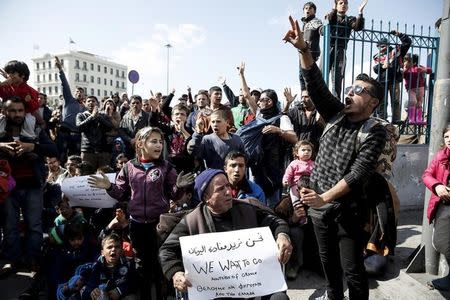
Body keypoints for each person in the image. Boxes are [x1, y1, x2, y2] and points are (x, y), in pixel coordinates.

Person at [284, 16, 387, 299]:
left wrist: (325, 198)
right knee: (328, 266)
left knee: (352, 271)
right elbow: (315, 83)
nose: (350, 93)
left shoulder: (375, 131)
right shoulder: (335, 113)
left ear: (373, 102)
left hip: (348, 212)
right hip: (319, 210)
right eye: (351, 88)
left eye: (359, 91)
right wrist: (304, 50)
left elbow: (358, 174)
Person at [87, 126, 195, 299]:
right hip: (137, 225)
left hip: (160, 225)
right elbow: (120, 193)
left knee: (160, 265)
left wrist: (180, 187)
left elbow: (174, 194)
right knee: (141, 267)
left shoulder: (166, 167)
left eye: (160, 141)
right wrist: (108, 187)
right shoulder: (129, 167)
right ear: (140, 144)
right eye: (153, 141)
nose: (159, 145)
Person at [159, 168, 292, 300]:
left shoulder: (248, 209)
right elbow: (166, 250)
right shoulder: (192, 221)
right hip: (215, 294)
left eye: (227, 185)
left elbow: (276, 223)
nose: (228, 192)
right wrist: (176, 273)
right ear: (206, 198)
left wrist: (282, 235)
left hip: (253, 288)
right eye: (220, 189)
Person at [0, 96, 58, 277]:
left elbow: (53, 150)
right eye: (12, 110)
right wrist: (2, 146)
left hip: (33, 185)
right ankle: (13, 260)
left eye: (20, 110)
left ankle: (34, 259)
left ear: (25, 112)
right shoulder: (1, 131)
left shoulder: (35, 129)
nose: (17, 114)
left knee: (34, 225)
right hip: (8, 187)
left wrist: (31, 147)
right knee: (10, 226)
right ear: (4, 112)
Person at [239, 62, 298, 208]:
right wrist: (241, 74)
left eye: (263, 99)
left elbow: (294, 138)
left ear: (271, 102)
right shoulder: (258, 114)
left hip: (273, 168)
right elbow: (246, 95)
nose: (259, 102)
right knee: (256, 202)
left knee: (272, 205)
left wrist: (278, 131)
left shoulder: (281, 118)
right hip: (256, 167)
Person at [422, 124, 450, 291]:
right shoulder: (440, 157)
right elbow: (427, 174)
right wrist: (437, 186)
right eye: (447, 137)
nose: (449, 140)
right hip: (444, 206)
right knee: (439, 242)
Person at [324, 0, 367, 98]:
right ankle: (322, 99)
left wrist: (360, 12)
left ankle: (336, 99)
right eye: (341, 3)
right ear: (336, 5)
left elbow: (358, 27)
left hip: (341, 49)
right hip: (328, 48)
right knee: (323, 74)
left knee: (337, 77)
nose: (343, 5)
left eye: (345, 3)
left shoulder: (350, 19)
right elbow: (331, 20)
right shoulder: (331, 14)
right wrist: (334, 8)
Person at [81, 233, 137, 300]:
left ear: (121, 251)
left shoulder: (129, 264)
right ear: (102, 253)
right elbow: (88, 285)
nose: (113, 249)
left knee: (132, 298)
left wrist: (119, 291)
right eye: (109, 247)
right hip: (103, 296)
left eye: (117, 247)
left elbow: (134, 283)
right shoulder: (95, 266)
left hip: (121, 296)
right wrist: (92, 291)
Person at [372, 31, 411, 123]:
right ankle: (382, 119)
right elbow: (376, 69)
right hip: (382, 81)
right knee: (382, 102)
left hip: (394, 80)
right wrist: (382, 66)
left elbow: (408, 42)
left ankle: (396, 119)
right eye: (379, 46)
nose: (381, 48)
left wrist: (400, 34)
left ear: (388, 45)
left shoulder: (396, 52)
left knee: (396, 101)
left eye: (383, 46)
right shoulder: (377, 57)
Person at [0, 60, 42, 139]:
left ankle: (31, 138)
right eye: (8, 73)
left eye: (13, 73)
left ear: (22, 75)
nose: (10, 75)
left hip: (25, 116)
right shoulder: (6, 86)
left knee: (29, 120)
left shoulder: (30, 91)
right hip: (7, 116)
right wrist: (3, 83)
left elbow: (36, 106)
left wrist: (29, 101)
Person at [55, 56, 85, 164]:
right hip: (64, 132)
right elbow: (65, 84)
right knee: (61, 156)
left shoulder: (85, 108)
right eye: (77, 91)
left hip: (77, 135)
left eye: (81, 92)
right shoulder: (69, 99)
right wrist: (60, 70)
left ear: (84, 95)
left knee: (75, 158)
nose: (79, 93)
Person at [76, 96, 114, 170]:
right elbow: (79, 127)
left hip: (103, 151)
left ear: (97, 104)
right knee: (87, 174)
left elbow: (109, 127)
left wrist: (98, 116)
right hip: (87, 151)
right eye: (89, 101)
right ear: (85, 104)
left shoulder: (103, 116)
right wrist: (92, 116)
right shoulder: (81, 115)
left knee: (104, 174)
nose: (91, 103)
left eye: (93, 101)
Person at [282, 140, 315, 222]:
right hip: (295, 186)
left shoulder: (314, 164)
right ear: (296, 153)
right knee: (295, 199)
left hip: (309, 186)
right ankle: (301, 216)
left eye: (309, 150)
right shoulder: (294, 163)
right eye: (303, 150)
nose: (306, 152)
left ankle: (311, 215)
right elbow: (288, 174)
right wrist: (286, 181)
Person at [299, 2, 323, 91]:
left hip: (311, 52)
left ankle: (309, 95)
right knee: (301, 75)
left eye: (310, 8)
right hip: (302, 51)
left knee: (307, 75)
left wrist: (325, 29)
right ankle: (304, 95)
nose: (307, 9)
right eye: (306, 8)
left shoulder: (315, 21)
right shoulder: (304, 24)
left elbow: (321, 29)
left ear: (314, 11)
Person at [402, 53, 432, 125]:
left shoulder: (418, 67)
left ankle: (419, 119)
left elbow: (430, 70)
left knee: (419, 103)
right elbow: (401, 76)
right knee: (413, 101)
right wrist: (404, 70)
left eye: (408, 61)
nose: (405, 63)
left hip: (420, 87)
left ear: (414, 62)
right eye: (405, 61)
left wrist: (424, 70)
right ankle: (411, 119)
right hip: (410, 89)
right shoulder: (405, 69)